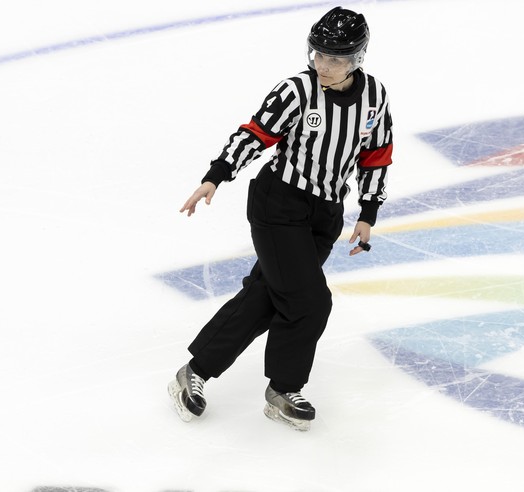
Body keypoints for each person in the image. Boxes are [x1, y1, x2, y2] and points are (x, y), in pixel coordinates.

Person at [167, 6, 393, 431]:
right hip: (279, 205)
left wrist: (368, 212)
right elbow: (256, 134)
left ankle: (192, 373)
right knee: (309, 301)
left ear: (357, 58)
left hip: (325, 215)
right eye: (318, 55)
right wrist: (217, 175)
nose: (324, 65)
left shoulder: (375, 96)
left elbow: (376, 154)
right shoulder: (296, 92)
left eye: (336, 59)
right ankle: (284, 389)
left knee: (269, 295)